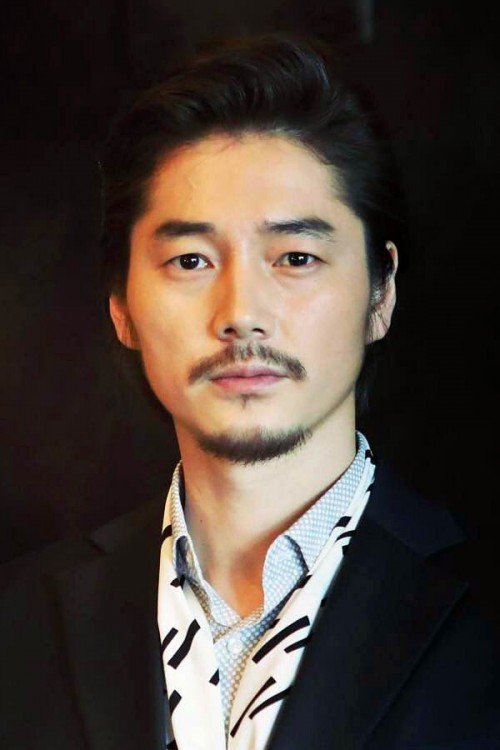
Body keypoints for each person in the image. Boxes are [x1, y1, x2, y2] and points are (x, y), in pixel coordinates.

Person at [1, 33, 499, 750]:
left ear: (380, 293)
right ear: (121, 306)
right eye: (190, 260)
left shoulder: (482, 613)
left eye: (295, 257)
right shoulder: (18, 622)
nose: (240, 312)